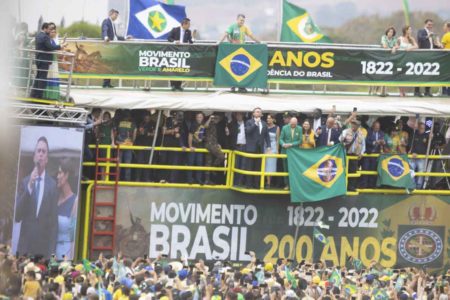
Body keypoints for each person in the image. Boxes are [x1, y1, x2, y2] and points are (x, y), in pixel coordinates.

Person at [15, 137, 58, 258]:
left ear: (47, 159)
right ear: (34, 156)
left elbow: (54, 223)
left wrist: (51, 254)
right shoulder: (25, 182)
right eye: (38, 151)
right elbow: (17, 215)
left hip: (43, 251)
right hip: (25, 248)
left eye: (43, 152)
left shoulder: (52, 185)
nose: (40, 154)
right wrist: (29, 187)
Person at [220, 14, 260, 93]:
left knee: (243, 69)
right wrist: (221, 42)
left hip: (242, 52)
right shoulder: (232, 27)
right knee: (233, 69)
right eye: (241, 20)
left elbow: (251, 36)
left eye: (243, 21)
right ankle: (233, 86)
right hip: (233, 51)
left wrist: (259, 42)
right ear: (237, 19)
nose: (242, 22)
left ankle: (242, 87)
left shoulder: (245, 28)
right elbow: (226, 34)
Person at [30, 23, 66, 99]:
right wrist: (60, 46)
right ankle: (39, 95)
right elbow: (50, 47)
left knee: (38, 77)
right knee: (42, 78)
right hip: (44, 60)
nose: (50, 31)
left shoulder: (38, 35)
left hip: (38, 59)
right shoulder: (45, 37)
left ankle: (33, 94)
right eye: (49, 29)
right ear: (45, 28)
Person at [55, 158, 78, 260]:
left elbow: (73, 235)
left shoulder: (75, 201)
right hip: (49, 251)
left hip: (65, 253)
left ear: (67, 175)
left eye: (60, 173)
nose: (57, 176)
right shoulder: (54, 197)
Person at [244, 107, 271, 189]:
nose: (258, 113)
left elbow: (266, 136)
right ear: (253, 113)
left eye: (260, 112)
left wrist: (269, 146)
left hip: (260, 148)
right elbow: (248, 131)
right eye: (257, 112)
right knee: (249, 166)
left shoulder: (264, 123)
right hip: (250, 148)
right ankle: (249, 184)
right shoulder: (249, 122)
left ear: (261, 114)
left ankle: (256, 184)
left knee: (258, 167)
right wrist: (255, 124)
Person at [415, 19, 441, 97]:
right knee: (419, 73)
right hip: (422, 55)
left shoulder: (432, 34)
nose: (430, 26)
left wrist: (439, 46)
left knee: (429, 73)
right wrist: (427, 36)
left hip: (431, 55)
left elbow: (432, 45)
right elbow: (420, 38)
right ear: (425, 24)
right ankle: (417, 91)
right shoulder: (421, 31)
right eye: (429, 24)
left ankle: (427, 91)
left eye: (431, 25)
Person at [167, 18, 193, 92]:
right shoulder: (175, 30)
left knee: (181, 69)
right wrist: (175, 41)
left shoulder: (188, 31)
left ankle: (179, 85)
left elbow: (190, 41)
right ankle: (173, 85)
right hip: (174, 52)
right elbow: (169, 38)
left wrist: (193, 39)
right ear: (184, 24)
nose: (189, 26)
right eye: (188, 24)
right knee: (173, 68)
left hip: (183, 52)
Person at [340, 119, 366, 191]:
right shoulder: (345, 132)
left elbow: (363, 145)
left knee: (353, 172)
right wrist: (343, 139)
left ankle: (351, 187)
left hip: (355, 156)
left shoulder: (361, 134)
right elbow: (339, 141)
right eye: (353, 124)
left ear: (358, 126)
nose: (354, 125)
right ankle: (342, 187)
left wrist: (362, 153)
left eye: (356, 124)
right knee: (344, 171)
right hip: (345, 155)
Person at [101, 9, 124, 88]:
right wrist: (106, 37)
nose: (116, 17)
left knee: (110, 65)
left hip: (112, 47)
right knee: (107, 65)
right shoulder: (106, 21)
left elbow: (115, 37)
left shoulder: (113, 24)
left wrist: (125, 38)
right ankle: (105, 83)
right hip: (108, 47)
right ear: (110, 14)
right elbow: (105, 30)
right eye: (115, 15)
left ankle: (107, 83)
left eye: (117, 15)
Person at [279, 117, 302, 190]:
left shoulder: (300, 128)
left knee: (295, 170)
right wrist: (283, 144)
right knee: (286, 169)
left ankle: (294, 185)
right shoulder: (284, 128)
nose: (293, 125)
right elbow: (280, 139)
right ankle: (287, 185)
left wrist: (291, 144)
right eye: (292, 124)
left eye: (294, 124)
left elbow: (300, 141)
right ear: (289, 122)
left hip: (295, 153)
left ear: (297, 123)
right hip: (285, 151)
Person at [361, 121, 385, 188]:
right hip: (368, 154)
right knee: (365, 169)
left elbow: (384, 142)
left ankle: (372, 185)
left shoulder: (381, 133)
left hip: (376, 155)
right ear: (373, 126)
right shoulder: (368, 131)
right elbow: (366, 141)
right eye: (376, 127)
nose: (377, 129)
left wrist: (383, 142)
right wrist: (375, 142)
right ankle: (364, 185)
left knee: (373, 170)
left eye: (378, 128)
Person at [114, 110, 137, 181]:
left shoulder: (118, 123)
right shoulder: (133, 124)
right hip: (128, 145)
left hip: (119, 145)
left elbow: (114, 133)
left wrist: (116, 141)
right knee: (127, 165)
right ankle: (127, 181)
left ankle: (117, 180)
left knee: (118, 165)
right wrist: (132, 142)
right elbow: (134, 135)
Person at [204, 114, 226, 185]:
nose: (217, 119)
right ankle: (214, 168)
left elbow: (217, 136)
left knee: (208, 162)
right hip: (209, 144)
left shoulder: (219, 125)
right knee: (221, 156)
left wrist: (218, 144)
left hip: (214, 144)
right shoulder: (210, 123)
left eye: (218, 118)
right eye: (215, 118)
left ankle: (207, 180)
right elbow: (205, 126)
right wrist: (210, 119)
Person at [43, 28, 64, 100]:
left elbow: (57, 50)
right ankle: (48, 95)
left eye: (55, 32)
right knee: (49, 77)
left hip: (55, 62)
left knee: (54, 76)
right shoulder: (48, 40)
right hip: (50, 61)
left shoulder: (53, 40)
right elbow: (51, 48)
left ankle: (54, 95)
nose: (53, 33)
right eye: (52, 32)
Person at [397, 25, 418, 97]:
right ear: (406, 30)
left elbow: (416, 46)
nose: (411, 31)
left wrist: (411, 48)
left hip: (409, 60)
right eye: (409, 29)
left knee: (405, 76)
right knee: (400, 75)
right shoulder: (400, 38)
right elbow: (396, 45)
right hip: (401, 59)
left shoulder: (411, 39)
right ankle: (400, 91)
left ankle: (404, 91)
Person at [134, 112, 155, 182]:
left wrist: (148, 134)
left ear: (150, 117)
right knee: (139, 162)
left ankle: (146, 178)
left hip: (149, 146)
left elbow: (155, 134)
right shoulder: (141, 123)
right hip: (141, 145)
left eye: (148, 116)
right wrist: (140, 132)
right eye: (145, 116)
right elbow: (136, 133)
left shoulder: (153, 123)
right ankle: (137, 178)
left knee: (148, 163)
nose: (146, 118)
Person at [378, 26, 398, 97]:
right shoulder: (384, 37)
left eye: (392, 32)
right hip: (382, 58)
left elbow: (397, 46)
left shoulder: (394, 39)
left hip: (390, 59)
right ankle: (381, 91)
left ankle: (385, 91)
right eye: (389, 32)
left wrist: (395, 47)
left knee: (388, 75)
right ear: (387, 32)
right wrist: (391, 48)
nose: (390, 33)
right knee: (382, 74)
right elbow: (385, 46)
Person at [409, 122, 429, 189]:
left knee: (421, 172)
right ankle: (412, 186)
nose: (422, 129)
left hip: (422, 157)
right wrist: (413, 152)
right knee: (411, 171)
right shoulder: (414, 134)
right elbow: (410, 145)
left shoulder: (427, 136)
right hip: (413, 156)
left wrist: (431, 138)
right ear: (418, 128)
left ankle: (418, 187)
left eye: (423, 128)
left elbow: (431, 146)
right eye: (420, 128)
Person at [187, 112, 206, 185]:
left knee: (199, 163)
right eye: (198, 117)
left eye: (200, 117)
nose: (199, 118)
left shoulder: (204, 125)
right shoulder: (193, 124)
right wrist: (190, 146)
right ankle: (190, 179)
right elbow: (190, 135)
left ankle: (199, 179)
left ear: (203, 118)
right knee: (191, 163)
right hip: (193, 147)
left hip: (200, 147)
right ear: (196, 118)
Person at [229, 112, 247, 186]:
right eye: (237, 115)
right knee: (235, 165)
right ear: (235, 116)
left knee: (243, 165)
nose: (239, 116)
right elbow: (229, 136)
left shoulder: (247, 123)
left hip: (245, 146)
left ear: (243, 116)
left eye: (240, 115)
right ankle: (234, 182)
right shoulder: (232, 124)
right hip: (236, 146)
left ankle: (240, 182)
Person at [264, 114, 279, 188]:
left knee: (271, 165)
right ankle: (267, 182)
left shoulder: (277, 128)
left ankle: (269, 182)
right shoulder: (265, 126)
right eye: (267, 118)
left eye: (269, 118)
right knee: (265, 165)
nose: (268, 120)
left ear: (273, 119)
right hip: (265, 146)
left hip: (273, 147)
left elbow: (277, 140)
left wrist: (277, 150)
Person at [442, 22, 450, 96]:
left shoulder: (446, 35)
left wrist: (437, 42)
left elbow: (442, 47)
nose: (443, 28)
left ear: (448, 27)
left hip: (447, 59)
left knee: (446, 74)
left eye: (444, 26)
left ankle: (446, 92)